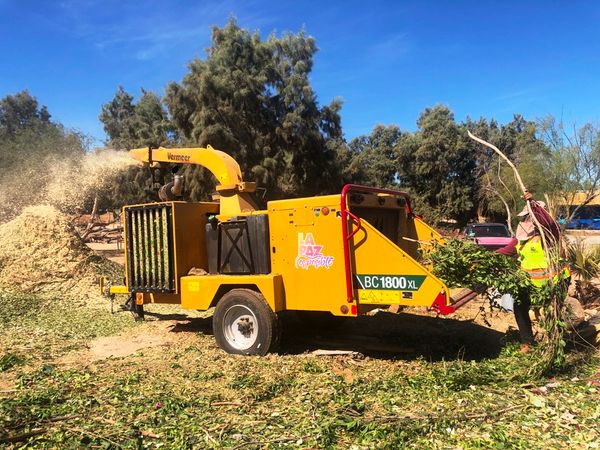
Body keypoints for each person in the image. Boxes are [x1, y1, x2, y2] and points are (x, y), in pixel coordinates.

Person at [497, 191, 567, 352]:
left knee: (553, 312)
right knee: (520, 307)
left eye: (528, 217)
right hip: (529, 282)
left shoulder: (548, 234)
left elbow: (547, 223)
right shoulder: (522, 238)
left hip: (554, 281)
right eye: (525, 217)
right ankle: (527, 342)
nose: (525, 221)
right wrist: (486, 257)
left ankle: (554, 344)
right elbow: (509, 249)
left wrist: (534, 205)